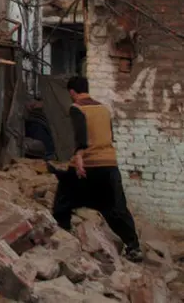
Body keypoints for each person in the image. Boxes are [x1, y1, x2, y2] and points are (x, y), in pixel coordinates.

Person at [50, 76, 143, 262]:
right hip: (109, 163)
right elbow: (109, 134)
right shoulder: (104, 109)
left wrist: (79, 158)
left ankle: (63, 231)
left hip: (90, 163)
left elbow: (81, 135)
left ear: (72, 92)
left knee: (64, 195)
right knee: (116, 207)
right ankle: (134, 246)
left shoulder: (77, 108)